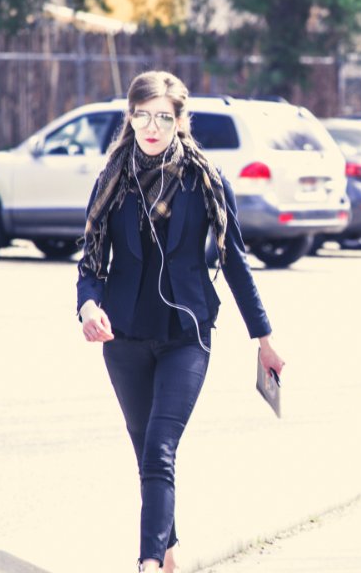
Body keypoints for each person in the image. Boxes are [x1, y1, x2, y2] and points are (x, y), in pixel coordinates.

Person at [76, 70, 285, 572]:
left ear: (179, 121)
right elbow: (90, 264)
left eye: (163, 117)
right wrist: (88, 307)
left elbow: (233, 261)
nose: (152, 127)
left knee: (160, 448)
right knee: (145, 449)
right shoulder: (112, 180)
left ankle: (148, 563)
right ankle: (168, 554)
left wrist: (265, 339)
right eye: (143, 116)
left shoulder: (205, 181)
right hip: (123, 337)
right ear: (130, 118)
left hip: (186, 336)